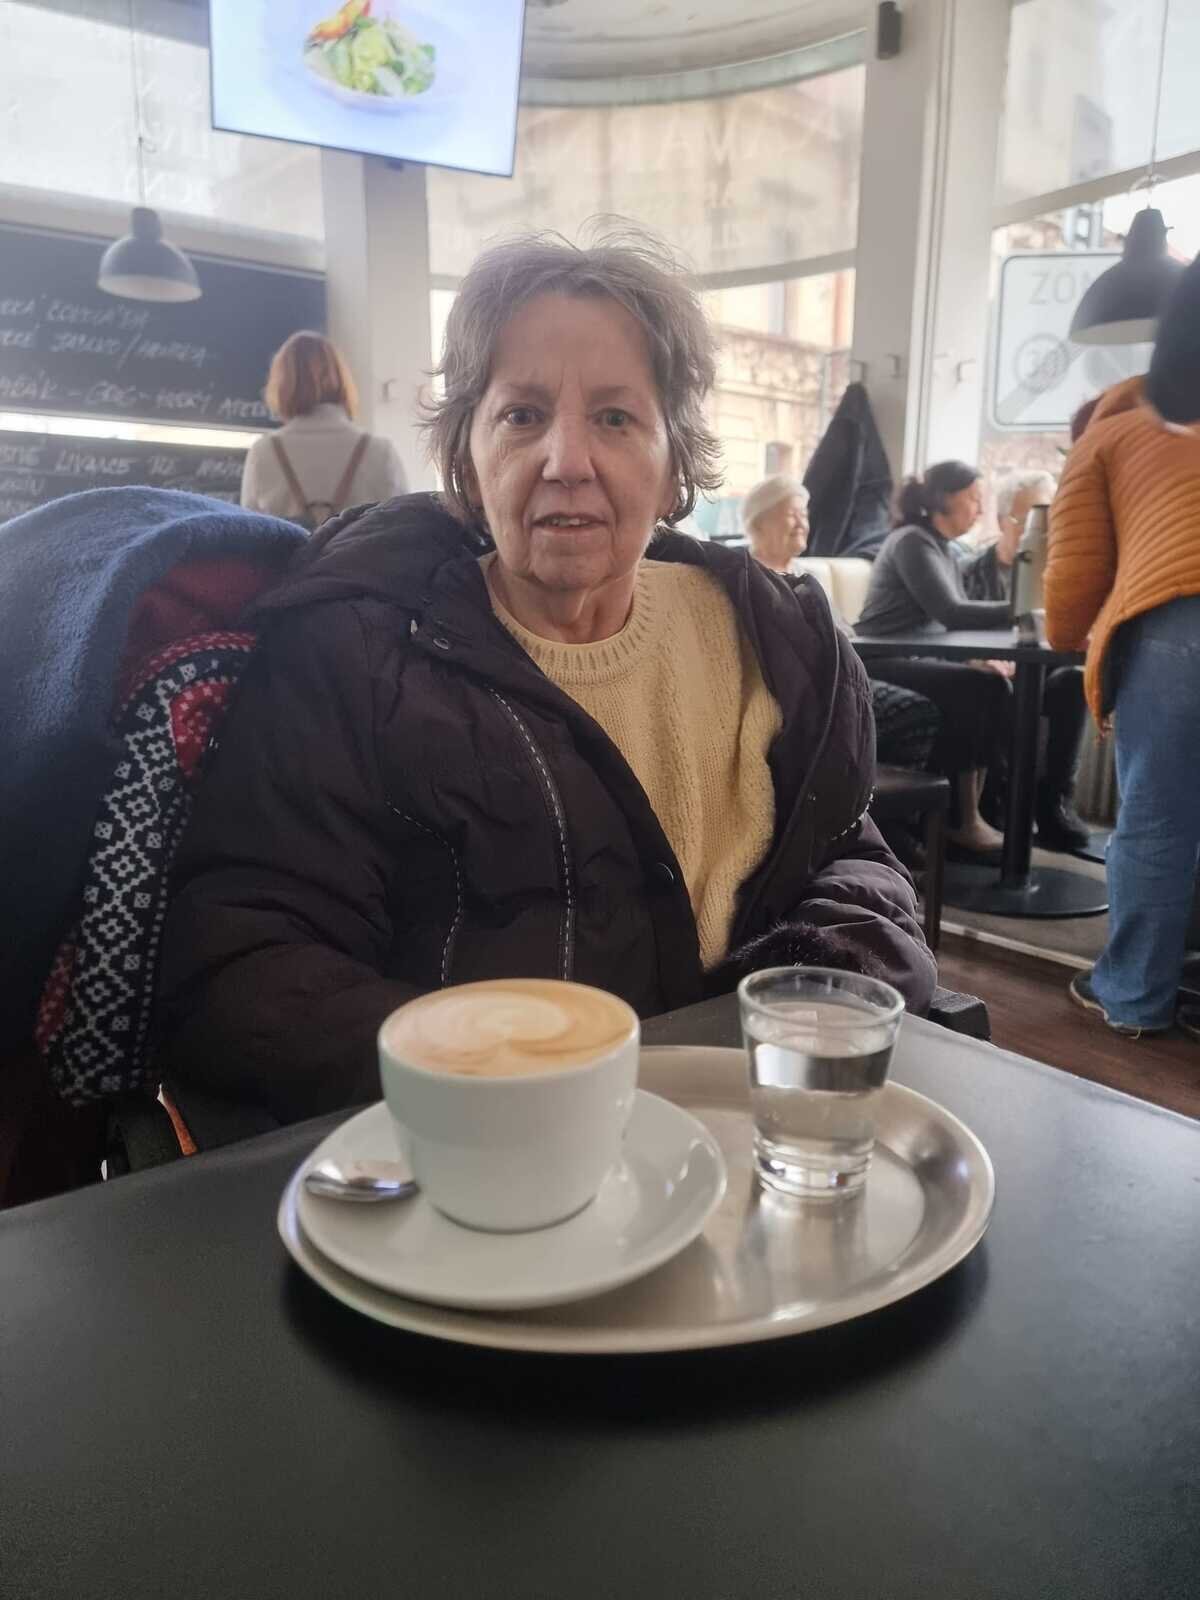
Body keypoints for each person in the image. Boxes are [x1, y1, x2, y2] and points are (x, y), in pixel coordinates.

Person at [157, 230, 935, 1124]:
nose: (567, 461)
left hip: (744, 1129)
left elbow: (852, 858)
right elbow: (244, 957)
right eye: (522, 415)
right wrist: (499, 1081)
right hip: (480, 1162)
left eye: (616, 418)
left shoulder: (772, 639)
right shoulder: (354, 652)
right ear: (466, 458)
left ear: (674, 463)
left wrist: (799, 1006)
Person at [1046, 259, 1200, 1040]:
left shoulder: (1109, 433)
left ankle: (1134, 995)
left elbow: (1073, 575)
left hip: (1177, 622)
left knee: (1158, 821)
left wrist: (1063, 637)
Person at [856, 461, 1088, 857]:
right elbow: (952, 612)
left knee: (987, 683)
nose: (980, 509)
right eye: (974, 498)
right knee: (981, 687)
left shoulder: (942, 548)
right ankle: (965, 821)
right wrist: (1027, 608)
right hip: (880, 658)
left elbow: (951, 625)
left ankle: (974, 815)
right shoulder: (912, 541)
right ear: (944, 499)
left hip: (917, 656)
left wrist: (980, 654)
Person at [742, 473, 941, 778]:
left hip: (837, 679)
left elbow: (843, 631)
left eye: (804, 514)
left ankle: (877, 799)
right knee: (913, 713)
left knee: (922, 709)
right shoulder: (745, 576)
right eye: (791, 514)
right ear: (758, 523)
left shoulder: (806, 574)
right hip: (798, 690)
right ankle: (861, 796)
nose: (801, 523)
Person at [239, 330, 408, 527]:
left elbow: (249, 531)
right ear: (341, 378)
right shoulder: (381, 451)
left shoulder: (263, 451)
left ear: (281, 384)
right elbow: (403, 528)